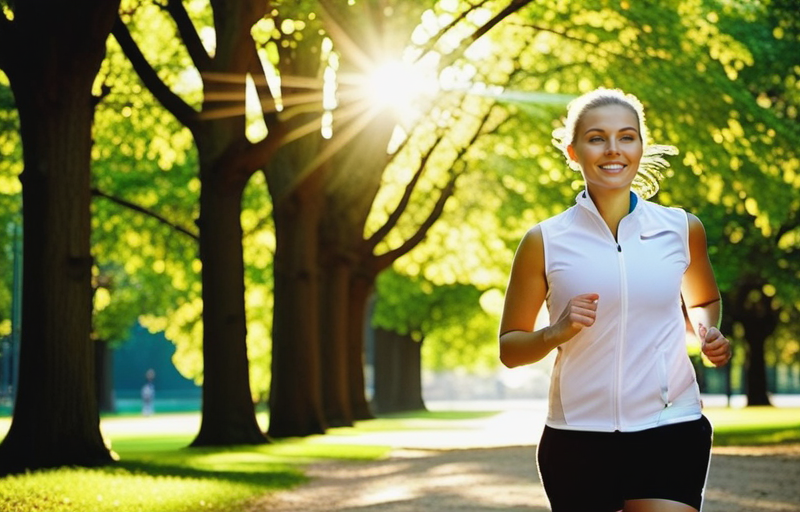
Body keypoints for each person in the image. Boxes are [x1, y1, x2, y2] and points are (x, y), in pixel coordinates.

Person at [498, 88, 732, 512]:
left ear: (642, 147)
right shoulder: (544, 241)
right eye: (596, 138)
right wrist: (555, 332)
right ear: (573, 152)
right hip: (578, 436)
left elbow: (703, 300)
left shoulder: (681, 228)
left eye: (627, 137)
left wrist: (706, 329)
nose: (613, 149)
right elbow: (510, 349)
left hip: (670, 424)